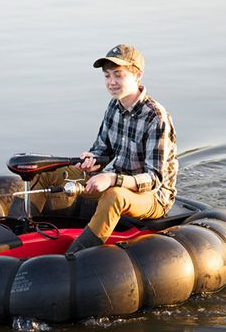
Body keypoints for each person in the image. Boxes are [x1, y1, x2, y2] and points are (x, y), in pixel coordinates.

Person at [32, 43, 178, 253]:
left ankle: (75, 257)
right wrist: (92, 161)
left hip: (153, 197)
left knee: (114, 196)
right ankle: (24, 234)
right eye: (107, 76)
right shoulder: (114, 106)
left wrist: (111, 179)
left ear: (137, 75)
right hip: (117, 181)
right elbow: (103, 150)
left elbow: (155, 179)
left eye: (118, 75)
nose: (111, 82)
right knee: (50, 174)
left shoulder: (156, 118)